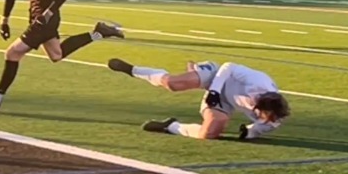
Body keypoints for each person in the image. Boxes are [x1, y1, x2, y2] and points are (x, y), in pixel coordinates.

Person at [107, 59, 290, 140]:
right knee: (173, 84)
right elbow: (229, 66)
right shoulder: (258, 81)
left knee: (209, 134)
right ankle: (134, 70)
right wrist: (214, 91)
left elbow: (256, 130)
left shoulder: (272, 119)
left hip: (224, 101)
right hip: (217, 77)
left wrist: (248, 132)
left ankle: (170, 126)